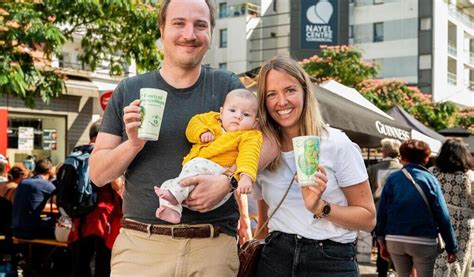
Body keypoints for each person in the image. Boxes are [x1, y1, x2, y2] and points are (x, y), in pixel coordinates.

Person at [89, 0, 247, 275]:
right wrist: (134, 143)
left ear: (210, 32)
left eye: (200, 25)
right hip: (141, 247)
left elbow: (264, 143)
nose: (189, 34)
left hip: (212, 247)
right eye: (178, 23)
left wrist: (228, 181)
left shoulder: (228, 86)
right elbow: (98, 174)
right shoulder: (130, 89)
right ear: (162, 29)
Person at [253, 56, 376, 276]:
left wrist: (320, 207)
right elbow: (264, 221)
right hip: (275, 257)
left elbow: (368, 219)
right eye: (271, 94)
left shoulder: (336, 143)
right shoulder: (261, 150)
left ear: (304, 92)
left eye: (289, 90)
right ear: (263, 101)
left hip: (330, 259)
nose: (281, 102)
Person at [155, 89, 262, 223]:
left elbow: (249, 156)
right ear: (222, 112)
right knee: (167, 185)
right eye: (233, 111)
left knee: (196, 166)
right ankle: (173, 210)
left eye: (246, 114)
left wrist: (245, 178)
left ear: (255, 122)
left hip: (218, 173)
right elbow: (194, 123)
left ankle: (175, 196)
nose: (238, 116)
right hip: (193, 177)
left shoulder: (250, 136)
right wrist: (202, 132)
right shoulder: (211, 119)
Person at [375, 139, 458, 277]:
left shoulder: (392, 179)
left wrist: (381, 240)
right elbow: (443, 215)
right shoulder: (430, 180)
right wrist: (451, 247)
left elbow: (382, 211)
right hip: (423, 240)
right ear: (426, 159)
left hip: (395, 239)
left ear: (402, 157)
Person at [68, 120, 124, 277]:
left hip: (78, 219)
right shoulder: (103, 155)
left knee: (80, 265)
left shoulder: (76, 153)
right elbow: (116, 185)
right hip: (102, 219)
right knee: (103, 264)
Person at [430, 138, 474, 277]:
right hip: (463, 223)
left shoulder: (432, 172)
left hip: (437, 220)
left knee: (438, 258)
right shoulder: (469, 175)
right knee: (459, 260)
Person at [367, 138, 402, 277]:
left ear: (384, 151)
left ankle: (382, 271)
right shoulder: (403, 169)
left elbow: (367, 192)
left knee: (380, 242)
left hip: (378, 211)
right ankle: (395, 269)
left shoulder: (373, 169)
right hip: (398, 213)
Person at [11, 157, 56, 239]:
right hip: (30, 231)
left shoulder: (23, 182)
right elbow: (62, 202)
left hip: (15, 229)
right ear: (49, 171)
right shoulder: (46, 184)